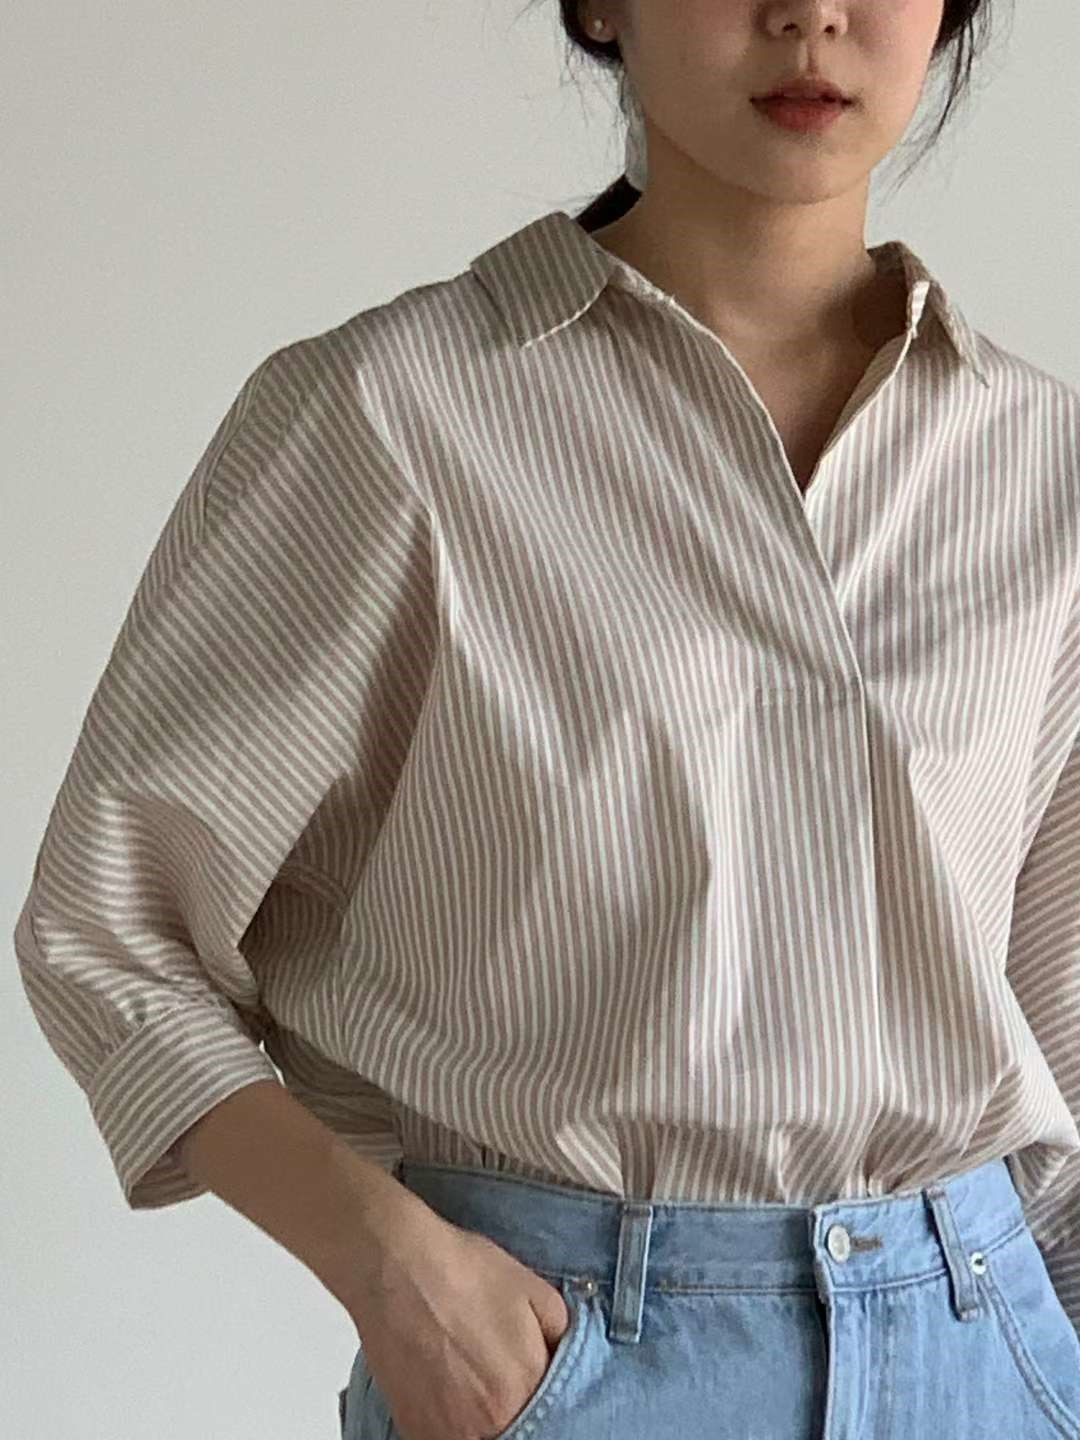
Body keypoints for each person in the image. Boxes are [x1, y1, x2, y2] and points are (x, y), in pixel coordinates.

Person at [14, 1, 1080, 1437]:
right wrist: (382, 1260)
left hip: (989, 1345)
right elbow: (107, 925)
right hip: (569, 1357)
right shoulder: (392, 416)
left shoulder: (1038, 460)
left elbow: (1062, 1018)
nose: (811, 16)